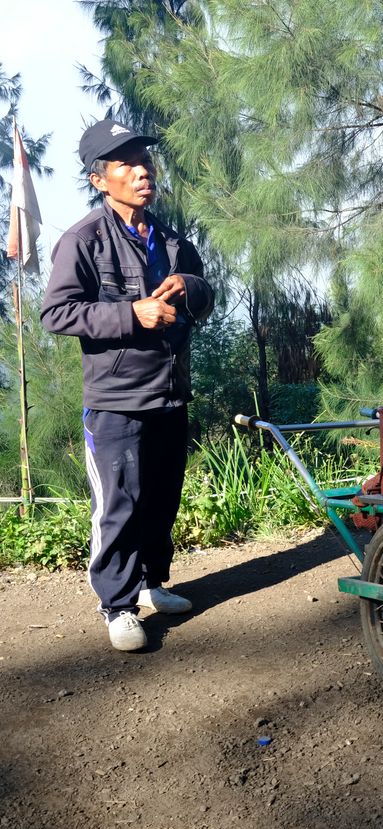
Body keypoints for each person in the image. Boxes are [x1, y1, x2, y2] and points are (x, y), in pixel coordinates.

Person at [41, 120, 215, 652]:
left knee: (162, 499)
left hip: (169, 392)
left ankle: (151, 585)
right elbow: (56, 313)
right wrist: (131, 315)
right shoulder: (83, 240)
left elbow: (206, 297)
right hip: (116, 401)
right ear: (100, 179)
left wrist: (190, 285)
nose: (143, 171)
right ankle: (116, 605)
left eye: (145, 161)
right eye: (127, 164)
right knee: (118, 505)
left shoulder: (170, 239)